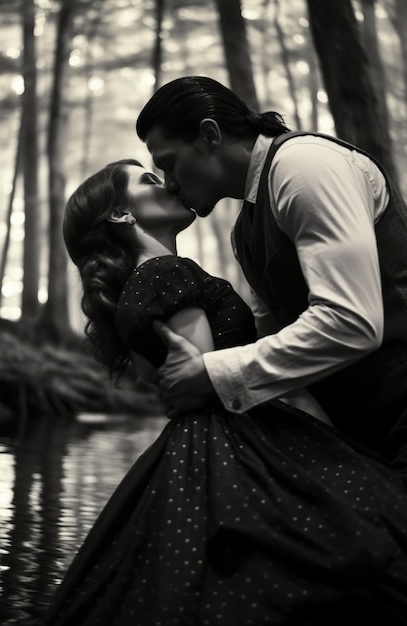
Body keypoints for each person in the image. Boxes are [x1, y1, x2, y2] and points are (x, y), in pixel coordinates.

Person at [37, 158, 407, 626]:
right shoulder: (163, 272)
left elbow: (165, 377)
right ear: (121, 215)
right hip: (241, 438)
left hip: (206, 445)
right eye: (150, 179)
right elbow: (202, 376)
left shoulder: (141, 282)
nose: (169, 181)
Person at [136, 75, 407, 464]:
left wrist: (212, 374)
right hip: (366, 439)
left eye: (169, 164)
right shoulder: (243, 233)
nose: (169, 184)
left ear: (209, 135)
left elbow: (352, 322)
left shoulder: (305, 166)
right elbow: (277, 347)